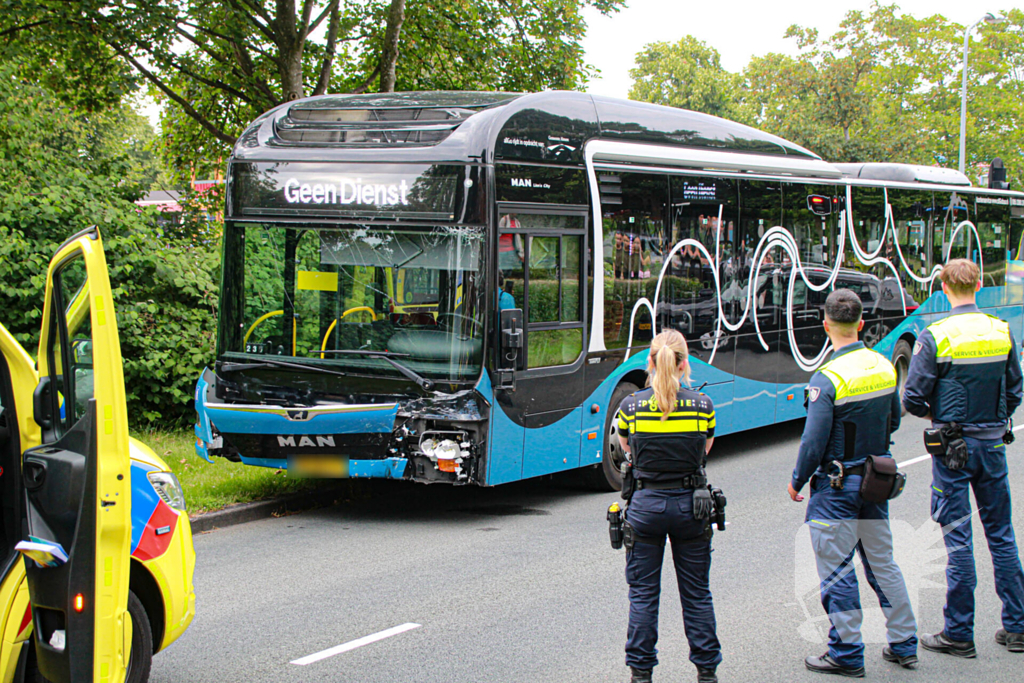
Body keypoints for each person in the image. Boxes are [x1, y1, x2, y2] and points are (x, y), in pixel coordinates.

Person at [788, 289, 918, 677]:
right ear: (861, 323)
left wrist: (797, 481)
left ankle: (846, 652)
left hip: (837, 487)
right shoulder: (882, 365)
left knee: (838, 570)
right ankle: (904, 643)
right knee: (882, 564)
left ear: (827, 325)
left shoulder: (826, 379)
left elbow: (813, 442)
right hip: (875, 484)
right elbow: (895, 419)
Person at [903, 258, 1024, 656]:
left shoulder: (936, 335)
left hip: (952, 450)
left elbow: (912, 398)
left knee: (958, 540)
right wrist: (993, 419)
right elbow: (1015, 390)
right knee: (1002, 536)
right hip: (992, 445)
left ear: (943, 286)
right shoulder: (1000, 331)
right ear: (977, 285)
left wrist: (940, 417)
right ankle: (1018, 627)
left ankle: (958, 633)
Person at [615, 329, 721, 683]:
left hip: (646, 506)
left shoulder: (630, 406)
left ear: (650, 361)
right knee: (697, 595)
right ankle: (706, 672)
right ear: (684, 362)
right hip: (693, 506)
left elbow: (626, 448)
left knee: (643, 595)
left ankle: (641, 674)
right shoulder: (703, 405)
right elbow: (704, 451)